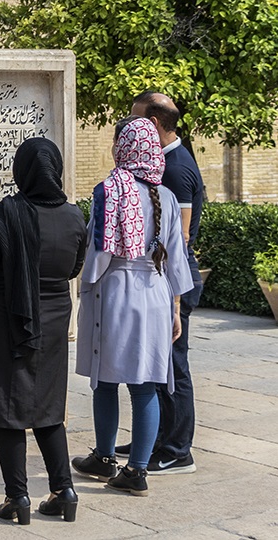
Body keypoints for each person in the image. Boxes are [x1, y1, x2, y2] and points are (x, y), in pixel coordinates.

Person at [0, 137, 87, 525]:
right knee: (48, 406)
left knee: (10, 410)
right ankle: (64, 491)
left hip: (9, 322)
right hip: (53, 322)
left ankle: (17, 497)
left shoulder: (7, 213)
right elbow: (73, 269)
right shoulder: (74, 215)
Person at [73, 116, 192, 497]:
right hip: (156, 294)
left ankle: (105, 456)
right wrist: (175, 308)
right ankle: (137, 470)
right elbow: (176, 258)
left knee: (106, 381)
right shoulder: (167, 197)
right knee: (145, 388)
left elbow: (99, 253)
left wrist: (85, 287)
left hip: (118, 293)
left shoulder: (109, 191)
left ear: (123, 148)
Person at [121, 91, 203, 475]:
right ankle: (152, 438)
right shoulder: (165, 164)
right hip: (161, 280)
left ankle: (176, 448)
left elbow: (179, 238)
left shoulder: (173, 168)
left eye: (135, 120)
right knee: (155, 365)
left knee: (173, 365)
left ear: (153, 124)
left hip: (171, 281)